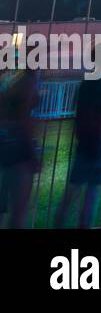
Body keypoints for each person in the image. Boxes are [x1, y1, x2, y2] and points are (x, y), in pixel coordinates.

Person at [55, 39, 101, 228]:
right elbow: (98, 115)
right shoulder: (100, 83)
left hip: (86, 143)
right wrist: (100, 135)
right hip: (95, 145)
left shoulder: (90, 80)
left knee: (75, 192)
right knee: (89, 197)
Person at [0, 67, 39, 228]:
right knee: (19, 211)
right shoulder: (27, 82)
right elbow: (25, 120)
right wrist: (32, 155)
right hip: (18, 153)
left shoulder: (9, 79)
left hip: (5, 147)